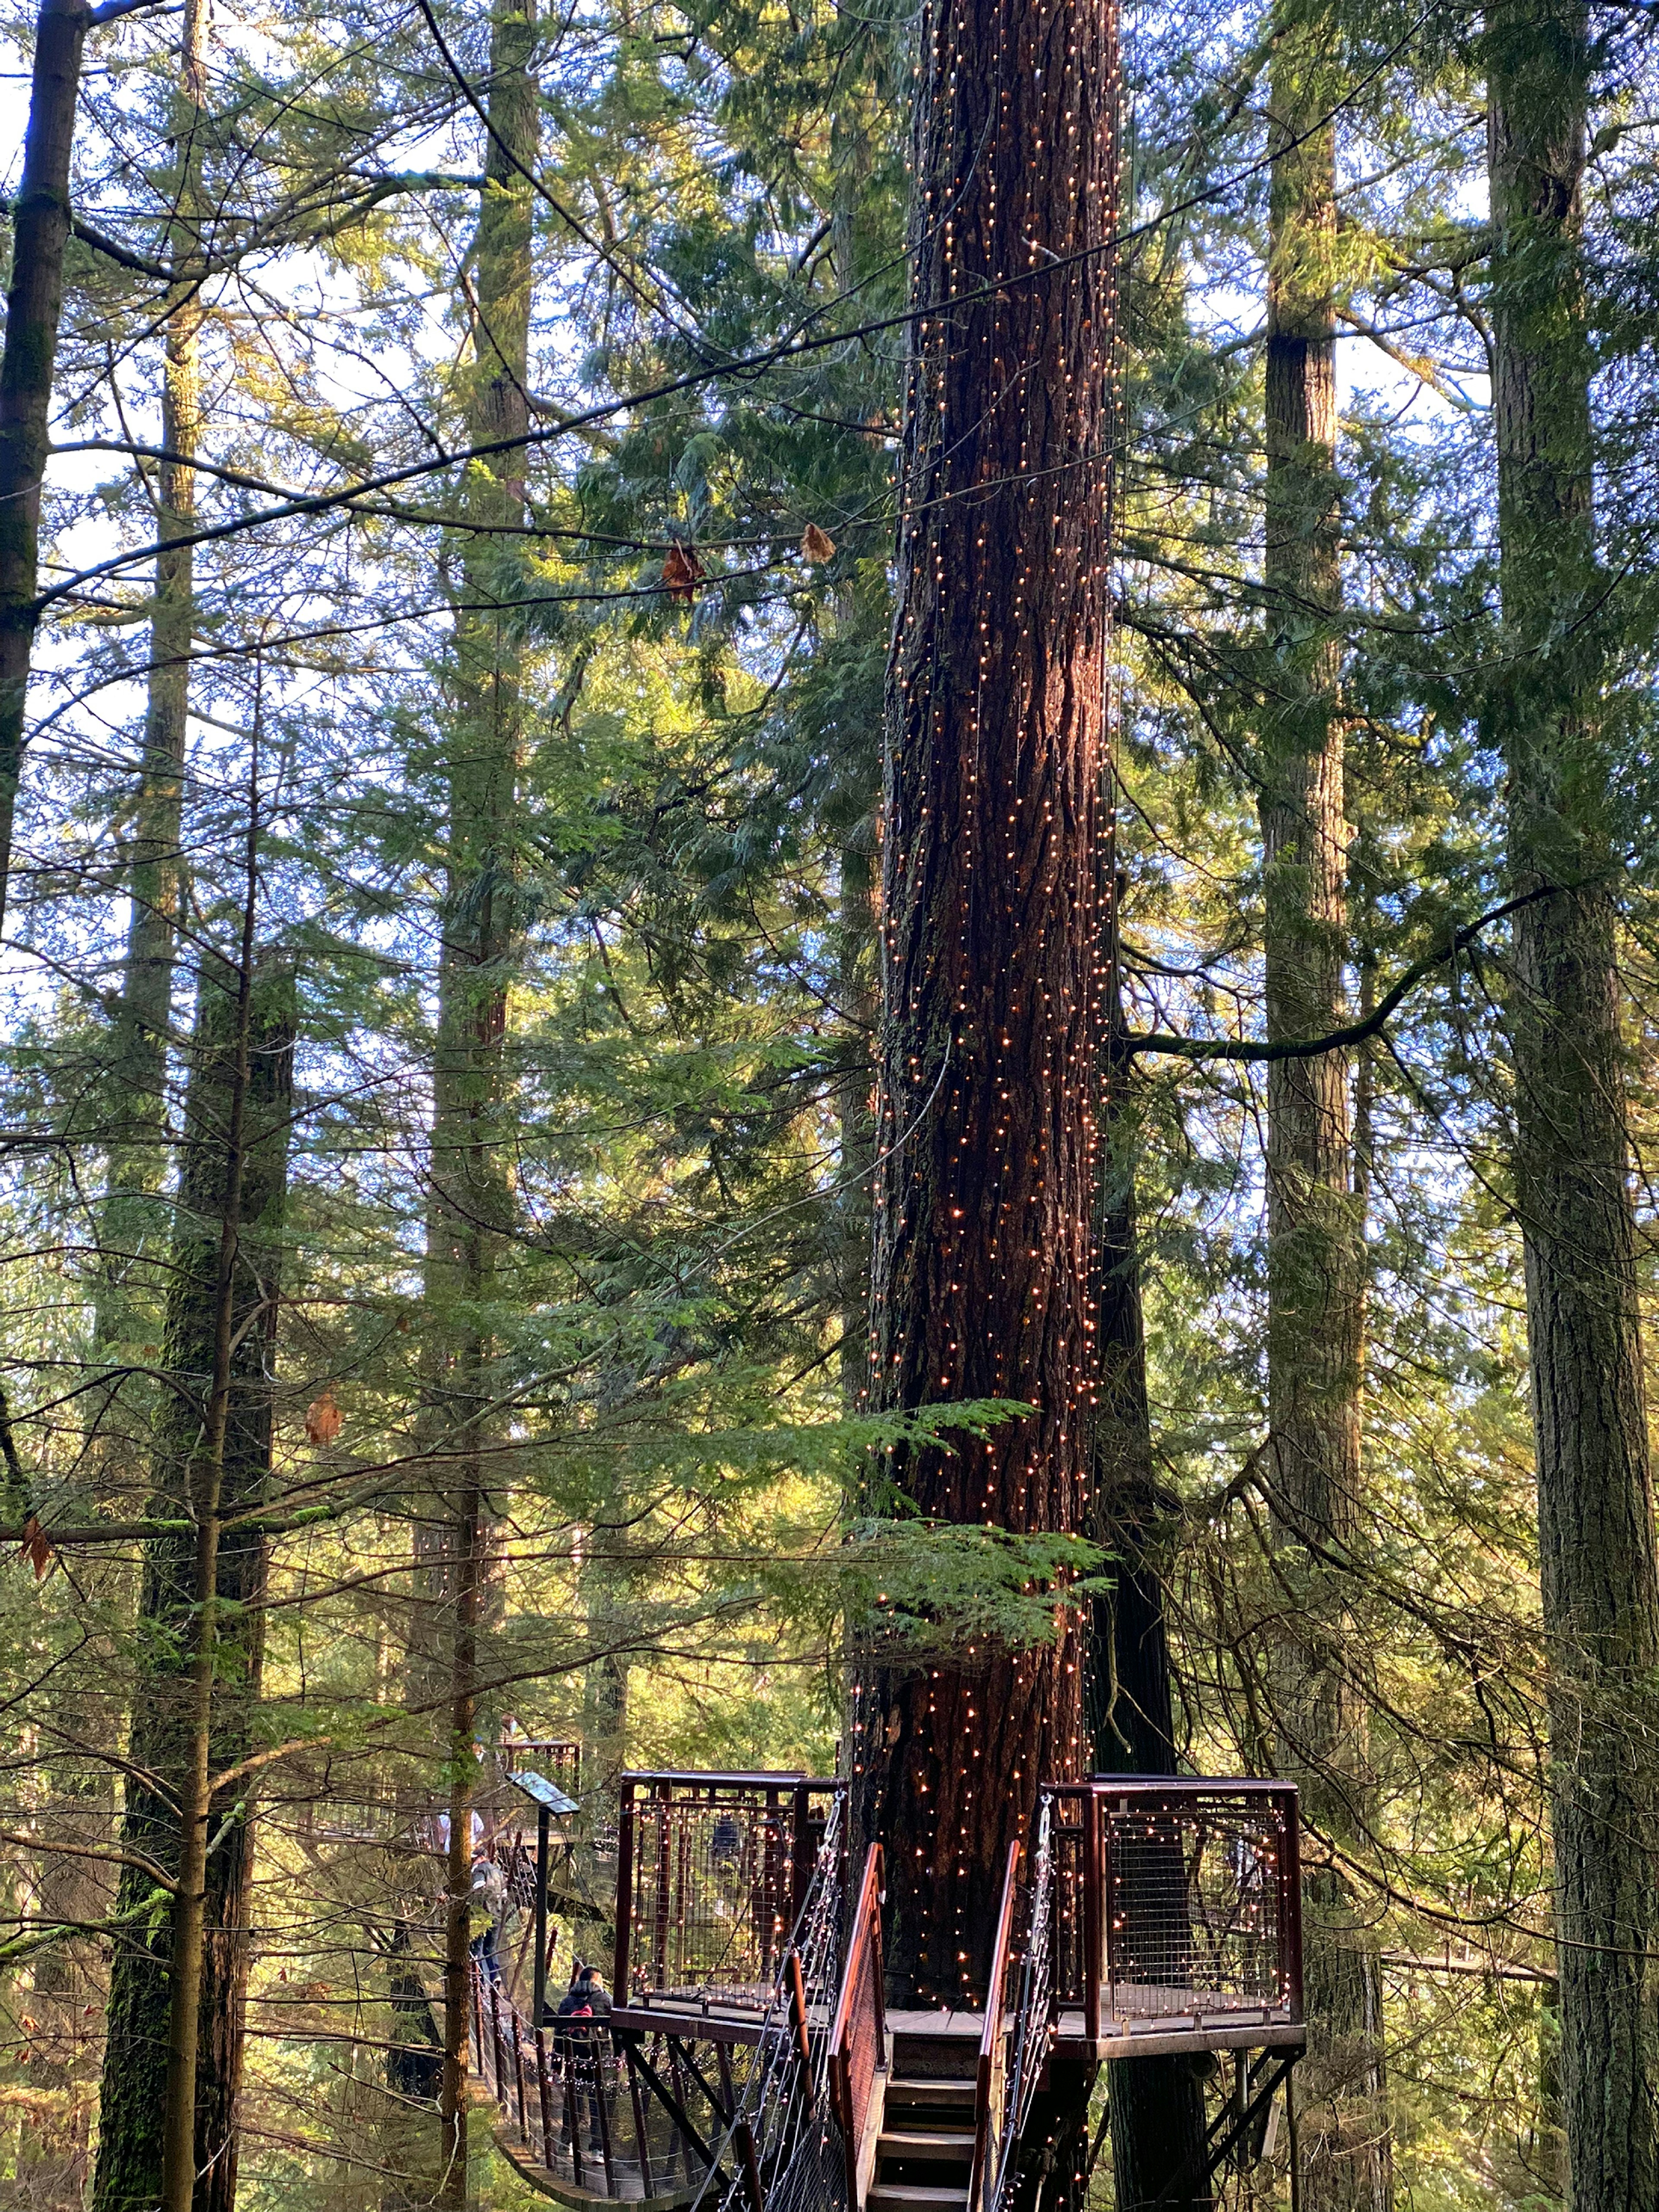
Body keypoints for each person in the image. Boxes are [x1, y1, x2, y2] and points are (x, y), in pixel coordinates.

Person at [555, 1964, 609, 2153]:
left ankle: (566, 2144)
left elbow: (559, 2034)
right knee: (598, 2104)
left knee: (572, 2102)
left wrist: (556, 2064)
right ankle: (597, 2149)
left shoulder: (567, 2002)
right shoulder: (606, 2000)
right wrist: (617, 2056)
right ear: (596, 1981)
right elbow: (616, 2032)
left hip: (574, 2058)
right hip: (599, 2060)